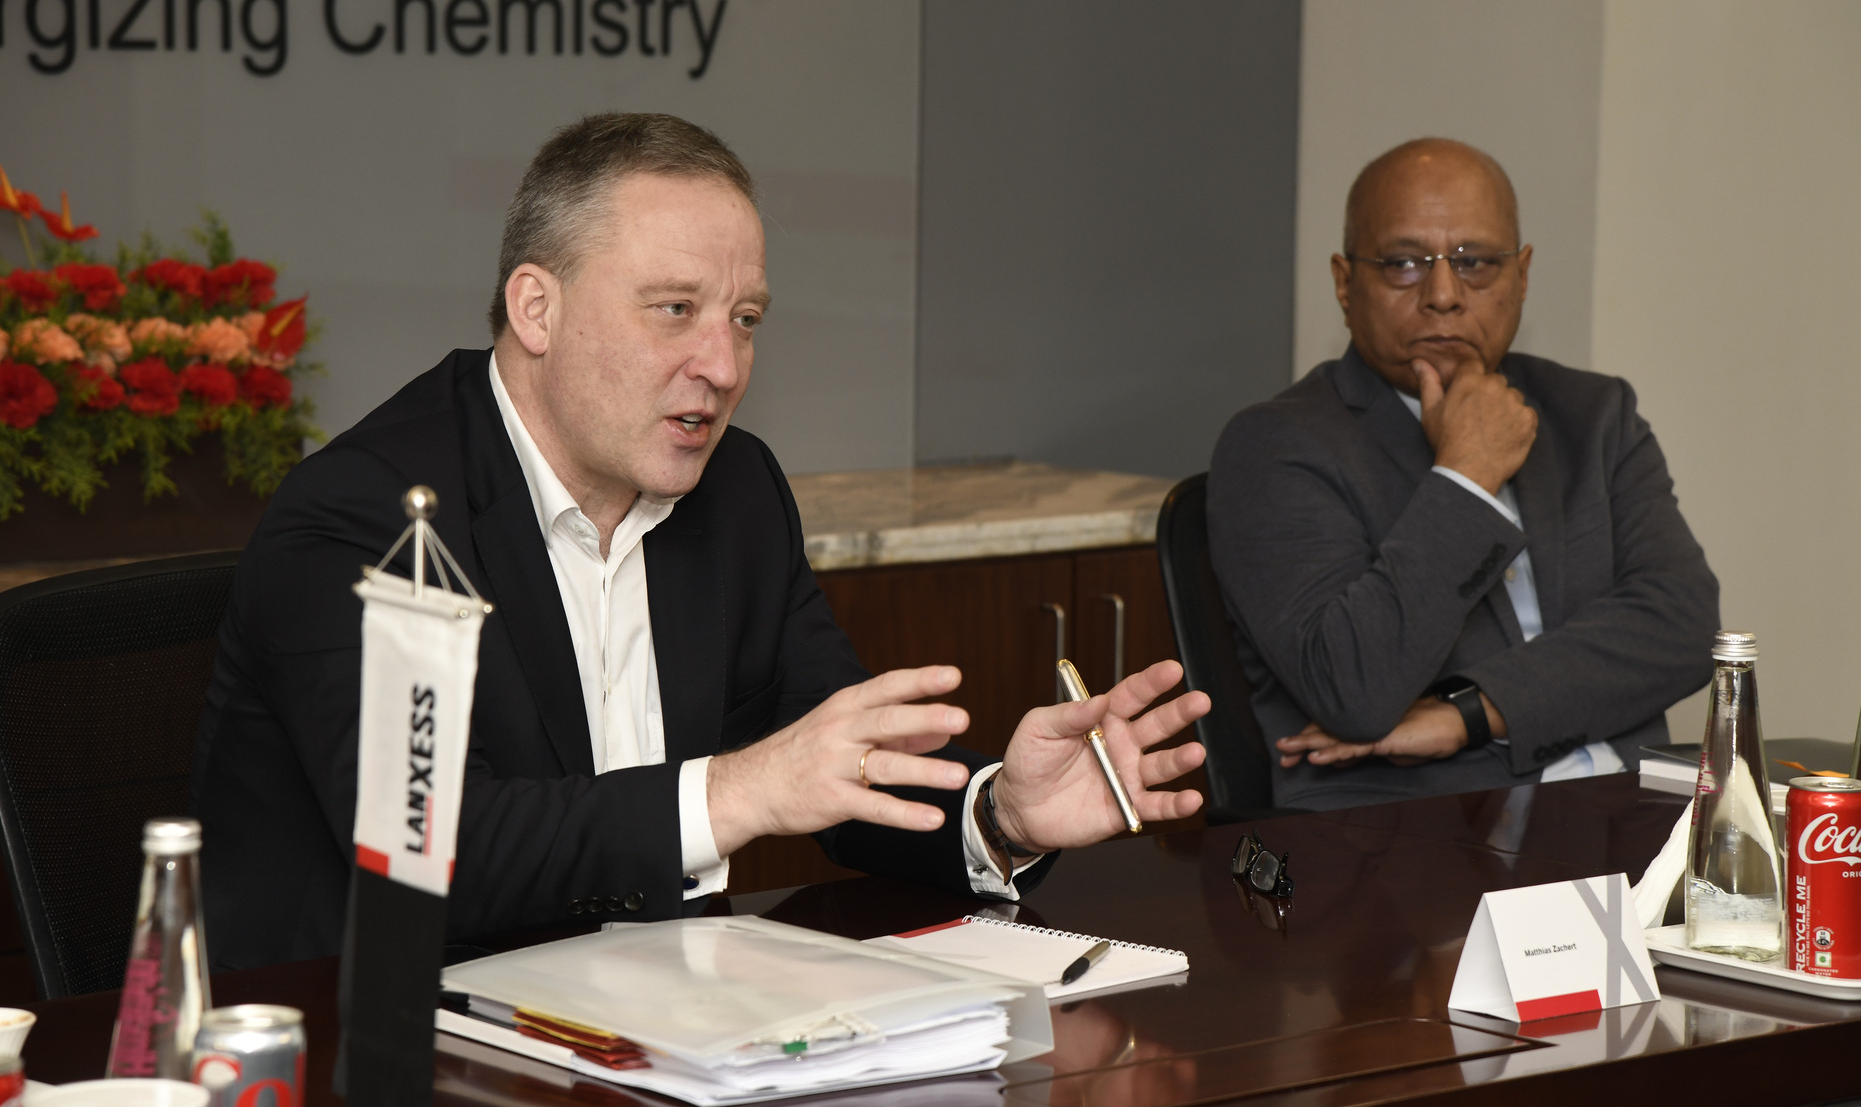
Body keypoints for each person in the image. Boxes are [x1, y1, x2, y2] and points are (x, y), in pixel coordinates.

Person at [193, 113, 1209, 969]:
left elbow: (832, 758)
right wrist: (737, 789)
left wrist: (999, 815)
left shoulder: (737, 492)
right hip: (377, 1047)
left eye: (746, 318)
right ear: (537, 308)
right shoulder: (367, 516)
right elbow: (432, 850)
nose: (722, 365)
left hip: (654, 1030)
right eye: (675, 310)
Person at [1208, 137, 1718, 812]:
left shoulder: (1594, 415)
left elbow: (1682, 625)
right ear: (1344, 282)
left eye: (1475, 262)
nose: (1444, 295)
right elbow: (1354, 687)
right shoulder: (1277, 445)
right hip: (1420, 834)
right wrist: (1468, 476)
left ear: (1522, 276)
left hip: (1627, 811)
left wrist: (1471, 712)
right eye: (1404, 264)